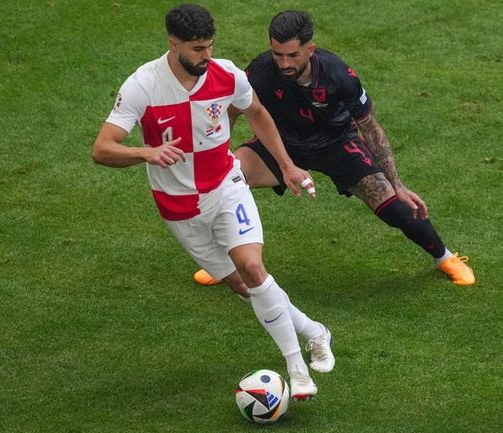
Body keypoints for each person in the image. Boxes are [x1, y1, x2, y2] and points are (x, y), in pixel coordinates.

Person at [92, 3, 334, 401]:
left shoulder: (226, 74)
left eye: (210, 46)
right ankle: (315, 331)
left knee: (253, 268)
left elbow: (256, 113)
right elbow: (102, 149)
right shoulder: (142, 85)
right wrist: (146, 153)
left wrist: (287, 166)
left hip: (226, 186)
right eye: (198, 49)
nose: (207, 56)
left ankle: (297, 367)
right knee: (241, 285)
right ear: (174, 44)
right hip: (179, 208)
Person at [192, 10, 475, 287]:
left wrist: (397, 183)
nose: (284, 63)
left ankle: (445, 257)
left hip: (337, 143)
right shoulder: (262, 70)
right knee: (222, 181)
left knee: (395, 206)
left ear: (310, 49)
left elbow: (371, 128)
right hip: (282, 143)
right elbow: (232, 111)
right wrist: (220, 155)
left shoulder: (339, 75)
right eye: (278, 54)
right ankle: (223, 264)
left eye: (293, 55)